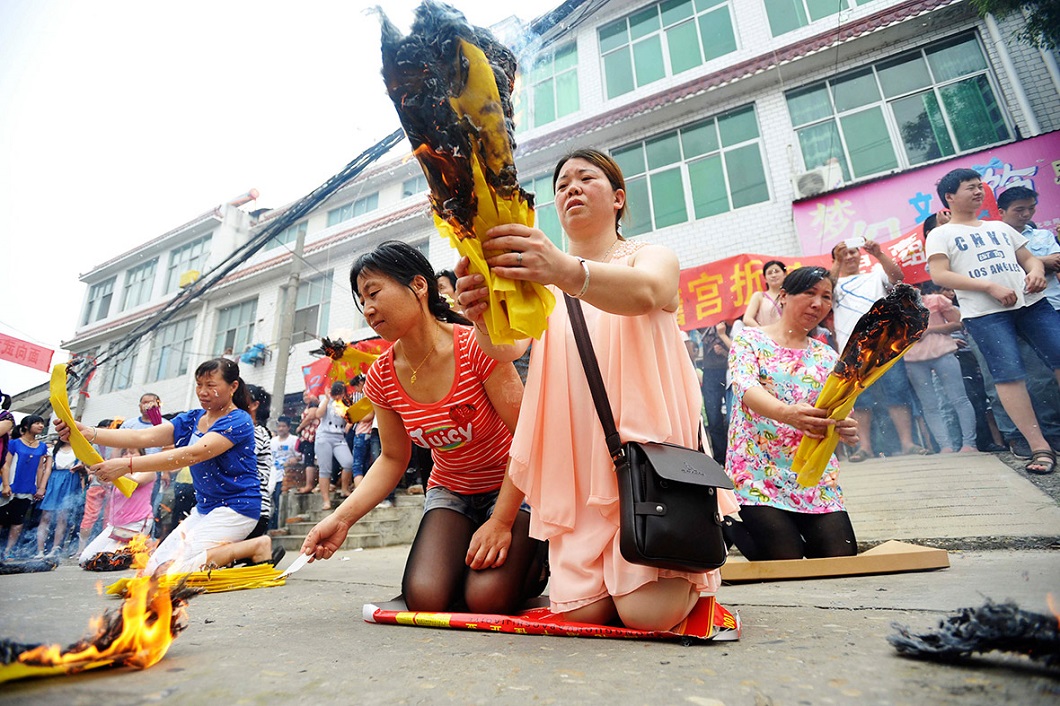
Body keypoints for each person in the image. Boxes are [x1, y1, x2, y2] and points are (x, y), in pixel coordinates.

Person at [455, 148, 738, 631]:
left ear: (618, 199)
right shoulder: (541, 287)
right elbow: (505, 349)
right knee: (584, 614)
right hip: (576, 461)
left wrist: (562, 269)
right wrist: (481, 315)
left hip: (649, 462)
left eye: (586, 178)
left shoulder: (650, 256)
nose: (571, 188)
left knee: (650, 616)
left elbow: (648, 291)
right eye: (562, 184)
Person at [302, 241, 542, 615]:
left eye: (374, 293)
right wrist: (340, 519)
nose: (367, 309)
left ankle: (538, 559)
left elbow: (528, 436)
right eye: (361, 300)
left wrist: (500, 521)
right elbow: (393, 458)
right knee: (426, 597)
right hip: (452, 491)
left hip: (512, 484)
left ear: (418, 286)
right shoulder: (381, 375)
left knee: (488, 599)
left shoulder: (476, 346)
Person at [56, 358, 274, 573]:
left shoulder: (239, 420)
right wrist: (88, 433)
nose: (203, 392)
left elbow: (193, 454)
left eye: (211, 385)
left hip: (237, 509)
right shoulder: (192, 419)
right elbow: (141, 437)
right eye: (199, 385)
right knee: (152, 570)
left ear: (233, 386)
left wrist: (127, 465)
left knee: (171, 571)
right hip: (205, 509)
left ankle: (253, 546)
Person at [927, 168, 1060, 474]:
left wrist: (1036, 270)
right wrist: (989, 286)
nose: (978, 192)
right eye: (970, 188)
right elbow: (939, 274)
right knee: (1008, 376)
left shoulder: (1000, 227)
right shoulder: (941, 233)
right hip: (985, 315)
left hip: (1033, 304)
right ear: (950, 196)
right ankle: (1039, 447)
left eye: (979, 186)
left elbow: (1027, 258)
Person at [723, 267, 860, 560]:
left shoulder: (826, 356)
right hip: (757, 471)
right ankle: (729, 522)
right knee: (785, 558)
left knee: (841, 556)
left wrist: (844, 426)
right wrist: (787, 413)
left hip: (812, 477)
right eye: (809, 293)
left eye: (826, 297)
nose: (818, 304)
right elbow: (745, 388)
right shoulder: (750, 340)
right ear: (783, 296)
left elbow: (838, 409)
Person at [831, 237, 925, 459]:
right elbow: (826, 285)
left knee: (897, 393)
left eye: (854, 251)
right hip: (853, 350)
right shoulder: (833, 284)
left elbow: (898, 277)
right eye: (844, 253)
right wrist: (836, 261)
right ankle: (865, 447)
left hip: (886, 345)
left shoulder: (874, 274)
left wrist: (878, 253)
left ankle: (907, 443)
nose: (850, 255)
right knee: (861, 401)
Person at [902, 284, 978, 454]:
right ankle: (946, 446)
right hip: (914, 360)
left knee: (959, 399)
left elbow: (958, 323)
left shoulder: (936, 300)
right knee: (929, 405)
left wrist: (929, 331)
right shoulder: (896, 311)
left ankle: (969, 444)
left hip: (943, 353)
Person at [78, 448, 156, 566]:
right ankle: (141, 550)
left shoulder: (148, 471)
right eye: (125, 453)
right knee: (85, 560)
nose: (128, 456)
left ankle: (146, 548)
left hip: (136, 523)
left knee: (109, 560)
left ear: (141, 455)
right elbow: (104, 481)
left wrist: (116, 470)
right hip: (114, 526)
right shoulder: (118, 475)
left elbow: (134, 483)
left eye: (132, 452)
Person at [0, 415, 49, 559]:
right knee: (1, 520)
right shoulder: (14, 443)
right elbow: (6, 464)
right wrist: (6, 484)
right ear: (26, 426)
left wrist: (39, 487)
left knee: (18, 521)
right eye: (37, 423)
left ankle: (8, 551)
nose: (41, 426)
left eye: (42, 423)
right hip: (10, 487)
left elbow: (41, 468)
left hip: (27, 488)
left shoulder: (42, 446)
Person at [120, 393, 167, 537]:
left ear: (158, 404)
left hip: (152, 471)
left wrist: (165, 472)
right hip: (128, 469)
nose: (147, 405)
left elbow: (167, 449)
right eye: (144, 402)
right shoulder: (129, 424)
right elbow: (118, 446)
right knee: (124, 503)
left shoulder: (164, 424)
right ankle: (122, 534)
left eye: (151, 402)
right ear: (139, 406)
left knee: (149, 505)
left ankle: (145, 538)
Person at [36, 438, 86, 557]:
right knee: (45, 516)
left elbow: (84, 471)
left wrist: (81, 468)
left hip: (71, 481)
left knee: (62, 517)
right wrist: (42, 487)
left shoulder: (80, 450)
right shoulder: (52, 450)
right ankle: (40, 550)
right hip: (55, 480)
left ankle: (55, 548)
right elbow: (47, 469)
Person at [312, 380, 355, 509]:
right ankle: (326, 500)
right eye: (336, 394)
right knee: (325, 470)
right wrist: (326, 399)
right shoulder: (327, 401)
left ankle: (344, 488)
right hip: (324, 436)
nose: (338, 396)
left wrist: (350, 422)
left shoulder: (345, 404)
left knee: (348, 462)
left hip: (339, 437)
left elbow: (350, 418)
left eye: (340, 393)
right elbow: (318, 414)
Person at [244, 384, 275, 539]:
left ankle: (261, 551)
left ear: (255, 405)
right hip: (245, 507)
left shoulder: (256, 431)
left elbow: (239, 458)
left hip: (251, 509)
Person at [270, 415, 298, 529]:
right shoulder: (272, 441)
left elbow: (300, 457)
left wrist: (293, 460)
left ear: (289, 427)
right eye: (279, 426)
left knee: (278, 501)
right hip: (272, 476)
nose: (281, 429)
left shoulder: (294, 440)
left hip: (285, 477)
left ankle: (276, 526)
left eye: (283, 426)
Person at [743, 260, 786, 327]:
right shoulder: (759, 296)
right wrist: (764, 333)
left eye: (777, 271)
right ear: (765, 278)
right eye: (769, 273)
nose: (773, 275)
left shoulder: (791, 295)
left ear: (785, 274)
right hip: (768, 335)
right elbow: (747, 319)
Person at [295, 390, 320, 494]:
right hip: (308, 436)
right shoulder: (310, 405)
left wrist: (300, 427)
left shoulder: (313, 405)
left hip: (312, 436)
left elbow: (311, 416)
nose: (305, 397)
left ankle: (309, 484)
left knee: (309, 461)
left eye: (307, 395)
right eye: (304, 395)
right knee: (309, 460)